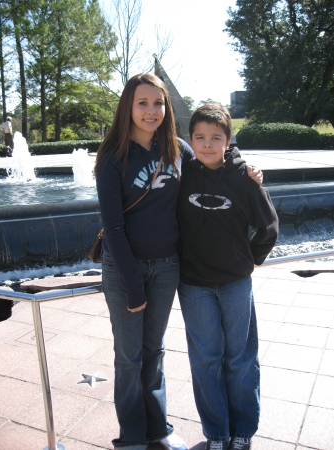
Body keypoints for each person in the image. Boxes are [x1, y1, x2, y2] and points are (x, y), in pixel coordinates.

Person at [94, 73, 262, 450]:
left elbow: (213, 158)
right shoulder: (112, 158)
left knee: (155, 351)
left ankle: (159, 430)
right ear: (129, 107)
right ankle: (133, 436)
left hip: (168, 265)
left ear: (167, 107)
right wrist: (133, 285)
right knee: (129, 357)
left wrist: (246, 167)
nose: (151, 111)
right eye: (142, 103)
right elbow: (114, 229)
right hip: (125, 269)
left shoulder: (177, 149)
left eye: (158, 103)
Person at [177, 104, 279, 450]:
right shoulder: (183, 175)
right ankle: (217, 433)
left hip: (236, 283)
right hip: (194, 286)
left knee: (240, 359)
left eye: (215, 138)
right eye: (200, 137)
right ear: (191, 140)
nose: (207, 144)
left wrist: (249, 260)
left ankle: (243, 432)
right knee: (205, 360)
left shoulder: (242, 177)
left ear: (228, 141)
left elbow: (269, 225)